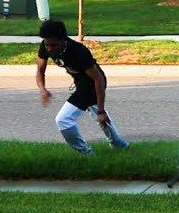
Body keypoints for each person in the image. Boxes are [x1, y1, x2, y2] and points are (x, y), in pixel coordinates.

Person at [36, 19, 130, 154]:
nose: (49, 49)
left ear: (63, 40)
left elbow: (98, 78)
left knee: (63, 120)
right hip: (80, 82)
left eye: (54, 45)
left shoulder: (78, 51)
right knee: (100, 117)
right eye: (47, 44)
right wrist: (43, 89)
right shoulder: (46, 45)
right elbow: (40, 69)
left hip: (92, 84)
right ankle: (120, 146)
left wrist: (102, 110)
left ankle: (86, 153)